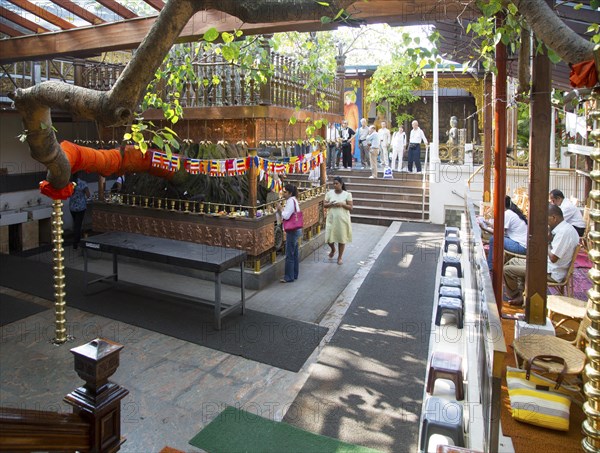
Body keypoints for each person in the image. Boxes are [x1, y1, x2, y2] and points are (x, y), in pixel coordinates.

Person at [503, 203, 579, 306]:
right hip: (545, 265)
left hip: (551, 272)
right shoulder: (563, 229)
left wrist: (546, 242)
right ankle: (520, 294)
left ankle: (516, 295)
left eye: (545, 219)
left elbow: (553, 258)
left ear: (553, 218)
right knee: (513, 261)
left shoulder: (564, 233)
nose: (544, 222)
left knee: (507, 270)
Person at [479, 195, 528, 269]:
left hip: (521, 247)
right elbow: (501, 229)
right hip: (523, 244)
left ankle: (490, 266)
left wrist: (484, 229)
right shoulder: (511, 212)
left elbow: (499, 234)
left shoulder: (507, 214)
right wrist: (489, 225)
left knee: (493, 239)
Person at [324, 176, 353, 265]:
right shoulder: (329, 193)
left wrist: (342, 204)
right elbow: (324, 205)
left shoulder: (347, 194)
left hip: (342, 219)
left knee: (341, 238)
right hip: (331, 219)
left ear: (341, 184)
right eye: (334, 184)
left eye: (337, 183)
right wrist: (330, 204)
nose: (335, 185)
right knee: (328, 238)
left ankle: (340, 257)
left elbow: (350, 207)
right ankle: (333, 249)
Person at [277, 184, 302, 283]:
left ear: (290, 193)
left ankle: (289, 276)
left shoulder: (291, 201)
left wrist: (280, 210)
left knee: (289, 254)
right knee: (294, 253)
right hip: (295, 230)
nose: (283, 193)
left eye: (285, 192)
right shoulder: (293, 200)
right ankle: (294, 274)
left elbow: (286, 216)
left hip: (292, 231)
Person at [69, 172, 91, 250]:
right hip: (81, 207)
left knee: (76, 224)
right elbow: (88, 194)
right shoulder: (82, 183)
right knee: (78, 225)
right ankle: (76, 242)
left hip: (72, 207)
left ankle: (77, 239)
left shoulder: (69, 184)